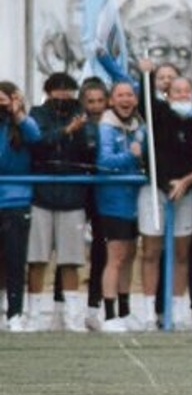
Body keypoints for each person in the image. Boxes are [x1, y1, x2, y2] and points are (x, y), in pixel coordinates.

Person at [136, 59, 192, 330]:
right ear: (168, 94)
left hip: (186, 192)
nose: (182, 95)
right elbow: (145, 102)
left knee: (181, 253)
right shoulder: (159, 114)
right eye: (177, 91)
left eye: (187, 91)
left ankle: (177, 309)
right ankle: (149, 312)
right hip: (156, 190)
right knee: (151, 251)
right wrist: (145, 74)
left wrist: (186, 182)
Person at [27, 73, 96, 332]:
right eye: (58, 90)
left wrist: (80, 131)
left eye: (68, 90)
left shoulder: (82, 114)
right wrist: (66, 131)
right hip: (42, 196)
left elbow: (90, 146)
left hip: (73, 197)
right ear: (48, 91)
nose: (63, 95)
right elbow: (37, 142)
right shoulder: (38, 114)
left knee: (71, 260)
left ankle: (72, 316)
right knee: (37, 259)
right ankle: (33, 314)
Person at [95, 80, 147, 333]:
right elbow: (104, 161)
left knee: (129, 256)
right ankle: (109, 314)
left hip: (135, 199)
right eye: (120, 95)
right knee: (115, 257)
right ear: (111, 100)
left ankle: (125, 311)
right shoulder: (106, 126)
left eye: (130, 95)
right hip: (114, 201)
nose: (126, 99)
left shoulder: (139, 126)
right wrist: (131, 156)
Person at [0, 82, 41, 332]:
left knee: (15, 260)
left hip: (16, 201)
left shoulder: (22, 125)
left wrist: (18, 113)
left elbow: (36, 138)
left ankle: (15, 313)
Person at [78, 78, 109, 329]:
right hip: (79, 193)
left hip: (106, 195)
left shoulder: (114, 125)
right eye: (91, 101)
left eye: (100, 101)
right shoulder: (77, 125)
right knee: (69, 250)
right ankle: (61, 305)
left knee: (102, 250)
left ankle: (94, 307)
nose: (96, 106)